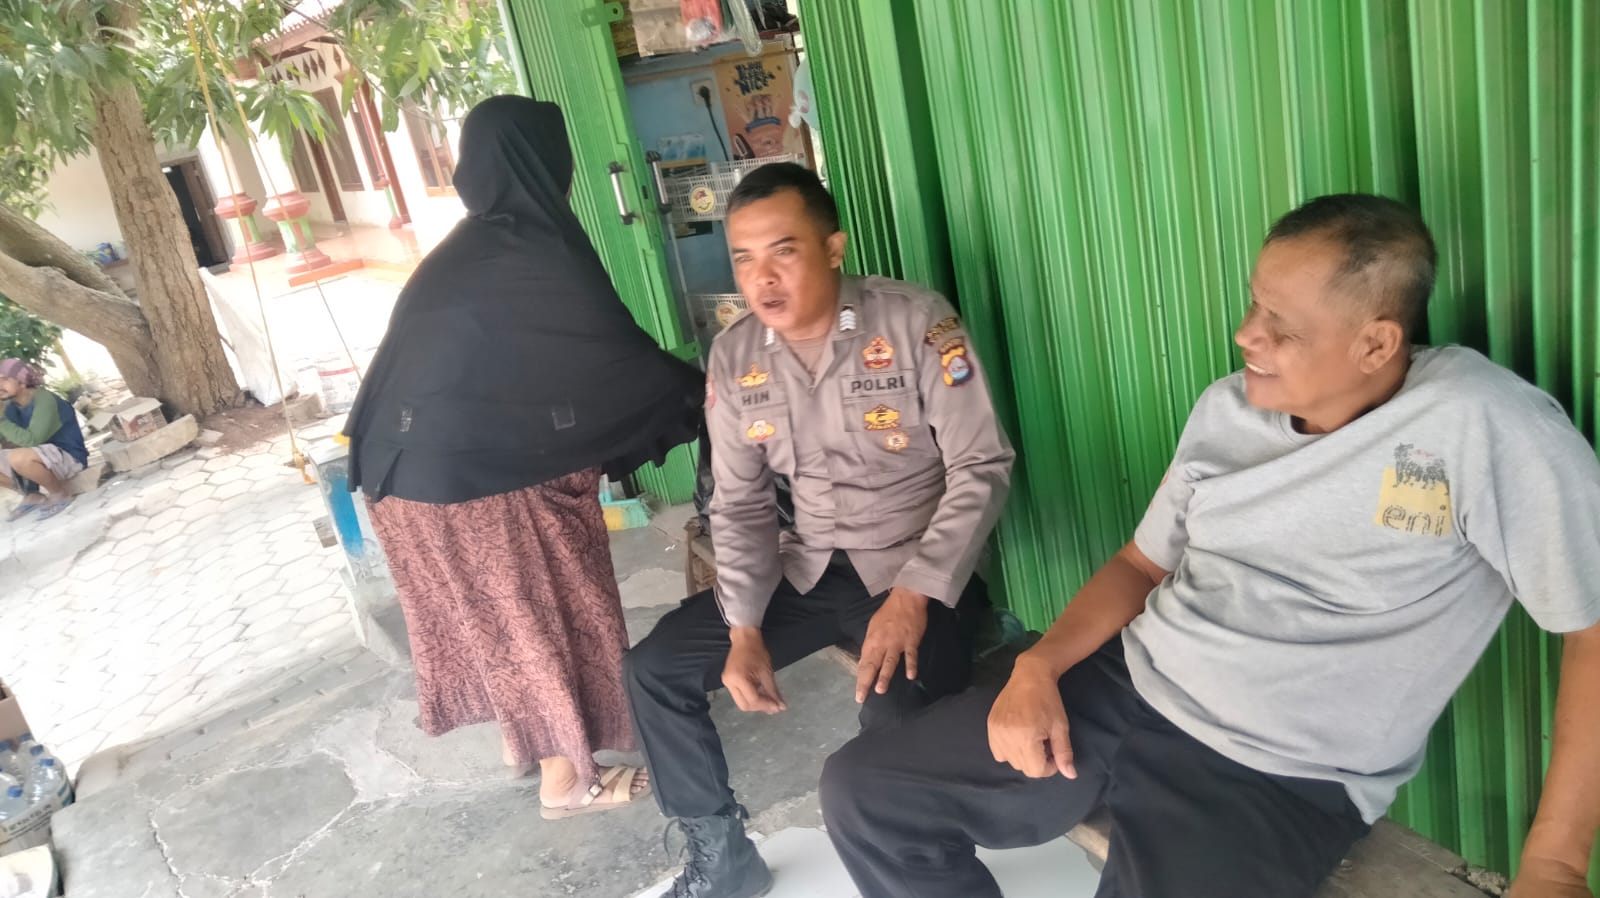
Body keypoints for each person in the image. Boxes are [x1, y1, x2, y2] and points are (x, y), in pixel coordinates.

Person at [820, 194, 1600, 898]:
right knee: (867, 793)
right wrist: (1039, 665)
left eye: (1281, 325)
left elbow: (1591, 632)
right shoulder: (1228, 410)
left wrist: (1554, 866)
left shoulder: (1481, 425)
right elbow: (1140, 563)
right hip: (1126, 687)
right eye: (1255, 303)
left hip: (1271, 771)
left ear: (1376, 344)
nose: (1246, 334)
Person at [624, 162, 1015, 898]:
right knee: (654, 669)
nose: (762, 278)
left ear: (833, 248)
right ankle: (721, 855)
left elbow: (982, 465)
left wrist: (916, 594)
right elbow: (740, 503)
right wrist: (744, 627)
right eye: (744, 258)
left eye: (784, 251)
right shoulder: (735, 356)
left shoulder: (915, 323)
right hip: (806, 568)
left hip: (914, 571)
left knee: (891, 737)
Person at [342, 95, 703, 818]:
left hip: (397, 480)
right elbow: (615, 358)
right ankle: (565, 781)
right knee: (541, 617)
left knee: (502, 624)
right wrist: (706, 391)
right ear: (545, 164)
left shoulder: (466, 249)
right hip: (467, 486)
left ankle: (534, 745)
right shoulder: (537, 248)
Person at [0, 358, 87, 522]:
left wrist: (1, 420)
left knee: (18, 457)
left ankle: (59, 493)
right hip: (40, 458)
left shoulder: (45, 399)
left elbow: (32, 440)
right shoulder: (10, 405)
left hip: (69, 457)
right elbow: (8, 438)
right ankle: (31, 494)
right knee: (14, 454)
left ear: (22, 381)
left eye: (4, 379)